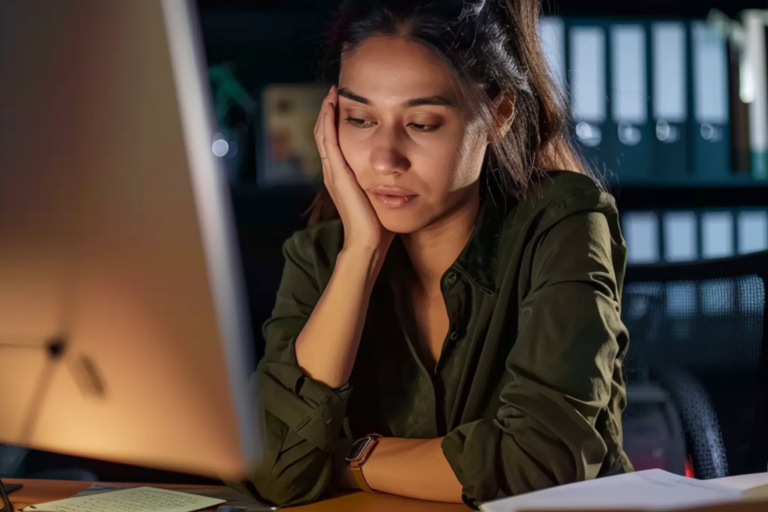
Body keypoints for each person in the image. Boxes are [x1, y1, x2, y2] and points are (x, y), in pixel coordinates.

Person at [244, 0, 633, 507]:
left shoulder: (563, 225)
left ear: (498, 115)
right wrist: (361, 253)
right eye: (359, 119)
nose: (385, 159)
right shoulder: (321, 258)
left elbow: (539, 465)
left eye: (422, 124)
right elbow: (273, 469)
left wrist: (348, 458)